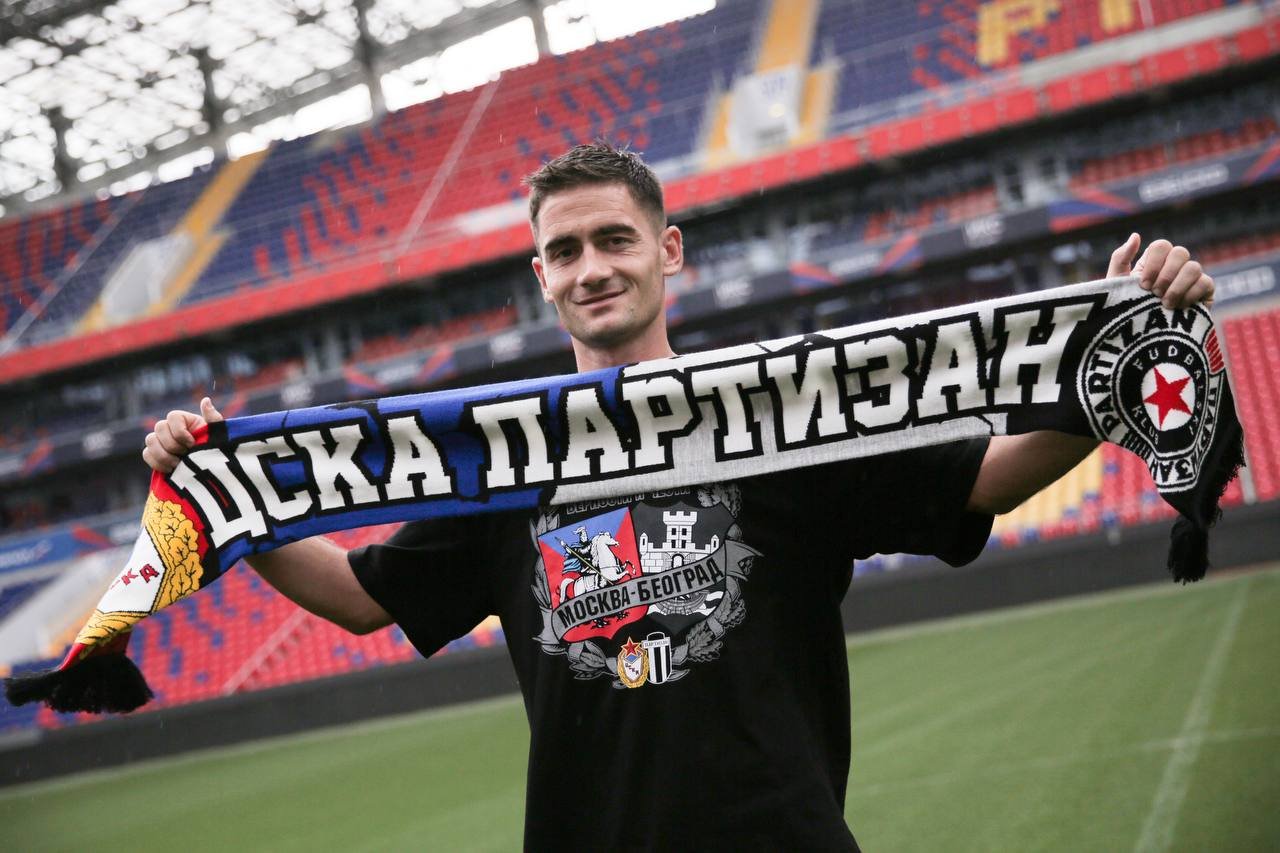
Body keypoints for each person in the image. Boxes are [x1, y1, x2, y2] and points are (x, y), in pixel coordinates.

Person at [143, 143, 1215, 850]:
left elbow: (984, 477)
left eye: (614, 239)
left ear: (667, 250)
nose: (591, 267)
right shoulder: (509, 458)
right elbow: (356, 595)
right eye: (564, 250)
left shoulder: (777, 412)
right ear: (541, 277)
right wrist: (226, 503)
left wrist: (1118, 368)